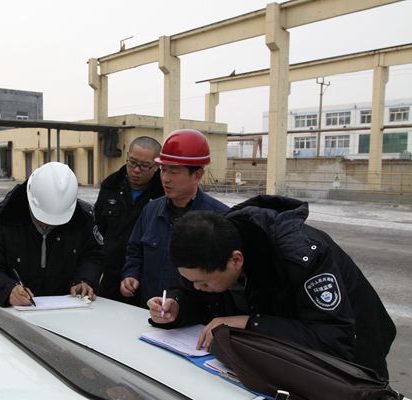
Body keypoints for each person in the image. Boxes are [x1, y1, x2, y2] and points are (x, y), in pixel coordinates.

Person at [147, 197, 396, 380]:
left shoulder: (302, 257)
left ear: (236, 260)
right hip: (289, 364)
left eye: (202, 282)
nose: (197, 287)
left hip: (356, 360)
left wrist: (249, 323)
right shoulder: (214, 250)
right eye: (190, 280)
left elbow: (332, 338)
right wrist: (177, 305)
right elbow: (198, 295)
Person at [0, 162, 102, 307]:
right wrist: (7, 290)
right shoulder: (0, 222)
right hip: (15, 315)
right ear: (30, 199)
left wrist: (85, 279)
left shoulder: (83, 220)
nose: (48, 224)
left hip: (70, 312)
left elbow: (94, 255)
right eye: (43, 217)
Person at [120, 129, 229, 307]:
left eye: (174, 172)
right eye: (163, 170)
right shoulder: (151, 211)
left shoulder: (220, 219)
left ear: (197, 175)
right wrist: (131, 274)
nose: (165, 178)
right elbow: (135, 251)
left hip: (193, 318)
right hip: (149, 311)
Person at [94, 136, 164, 303]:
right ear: (127, 157)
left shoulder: (162, 194)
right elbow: (100, 226)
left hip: (146, 281)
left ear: (157, 166)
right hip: (111, 276)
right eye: (132, 162)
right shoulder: (110, 186)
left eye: (144, 165)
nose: (136, 170)